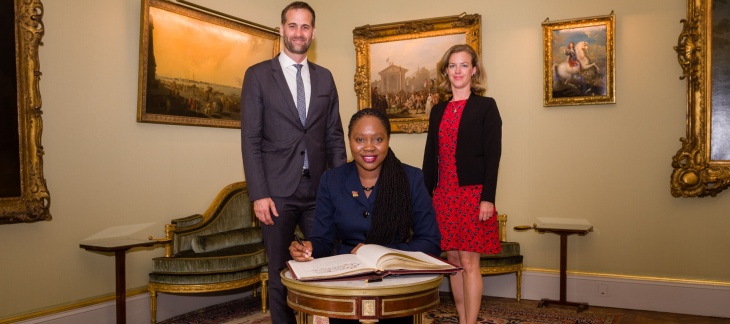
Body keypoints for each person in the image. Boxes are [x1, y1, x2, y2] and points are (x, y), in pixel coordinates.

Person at [240, 2, 346, 323]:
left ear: (313, 32)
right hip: (276, 193)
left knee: (329, 264)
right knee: (279, 271)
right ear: (281, 29)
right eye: (292, 25)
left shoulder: (325, 78)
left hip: (320, 192)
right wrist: (259, 194)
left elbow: (334, 137)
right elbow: (251, 139)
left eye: (305, 27)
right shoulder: (258, 76)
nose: (298, 33)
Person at [290, 108, 442, 324]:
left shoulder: (412, 178)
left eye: (378, 139)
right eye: (360, 139)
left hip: (395, 286)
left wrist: (379, 252)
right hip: (345, 288)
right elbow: (322, 239)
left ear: (388, 140)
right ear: (350, 141)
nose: (369, 147)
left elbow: (431, 242)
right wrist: (309, 247)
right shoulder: (331, 180)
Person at [422, 44, 502, 324]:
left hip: (472, 195)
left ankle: (470, 322)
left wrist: (488, 198)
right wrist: (424, 198)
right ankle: (461, 318)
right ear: (446, 71)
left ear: (474, 70)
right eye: (452, 66)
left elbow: (494, 156)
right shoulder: (438, 110)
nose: (458, 71)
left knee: (469, 263)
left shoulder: (486, 106)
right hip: (442, 195)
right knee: (453, 263)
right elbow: (430, 156)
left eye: (464, 65)